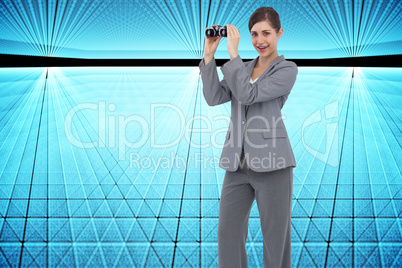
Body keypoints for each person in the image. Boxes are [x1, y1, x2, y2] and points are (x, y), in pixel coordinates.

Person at [198, 6, 298, 268]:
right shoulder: (241, 68)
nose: (259, 41)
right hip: (237, 163)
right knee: (227, 234)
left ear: (279, 33)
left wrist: (233, 55)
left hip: (273, 164)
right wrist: (209, 55)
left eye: (266, 33)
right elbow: (213, 97)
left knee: (275, 239)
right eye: (254, 34)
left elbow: (249, 95)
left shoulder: (286, 70)